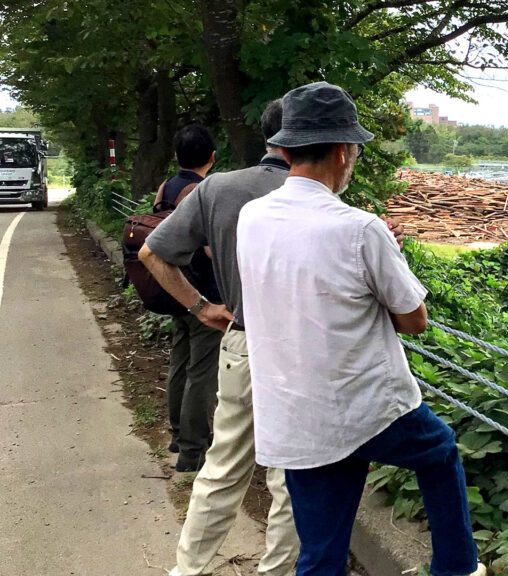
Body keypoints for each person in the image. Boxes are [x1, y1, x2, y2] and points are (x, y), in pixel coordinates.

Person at [140, 100, 407, 576]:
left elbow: (152, 253)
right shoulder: (322, 199)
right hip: (308, 353)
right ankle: (277, 570)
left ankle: (188, 570)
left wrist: (200, 306)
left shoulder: (218, 189)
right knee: (292, 477)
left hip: (242, 343)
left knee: (222, 468)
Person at [236, 82, 485, 576]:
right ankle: (457, 568)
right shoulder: (359, 227)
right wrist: (385, 255)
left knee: (321, 555)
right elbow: (414, 320)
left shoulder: (253, 216)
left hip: (294, 411)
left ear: (285, 149)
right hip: (365, 406)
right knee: (438, 452)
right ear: (346, 151)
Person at [157, 124, 223, 473]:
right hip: (203, 295)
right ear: (212, 158)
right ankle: (192, 451)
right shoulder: (203, 192)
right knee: (202, 373)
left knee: (179, 363)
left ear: (175, 156)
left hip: (173, 289)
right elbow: (211, 250)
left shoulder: (165, 187)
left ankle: (178, 434)